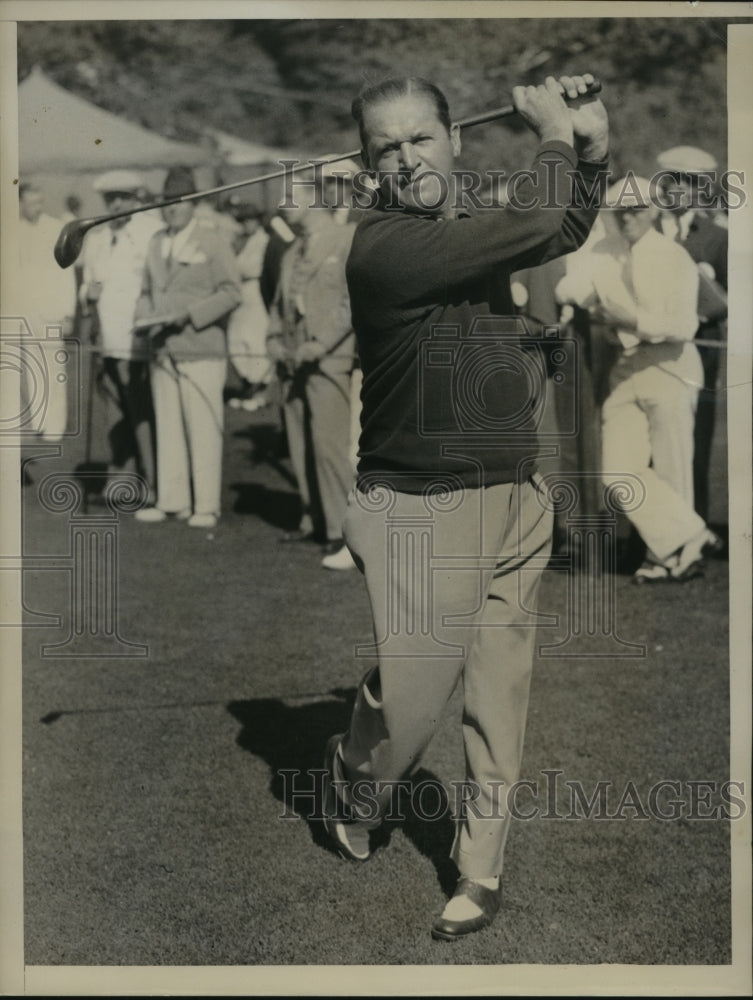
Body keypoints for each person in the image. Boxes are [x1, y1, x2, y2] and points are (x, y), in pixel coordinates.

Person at [321, 73, 609, 940]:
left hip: (512, 493)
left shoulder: (463, 228)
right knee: (409, 711)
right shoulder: (383, 244)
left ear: (453, 138)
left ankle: (480, 872)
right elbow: (532, 218)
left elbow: (559, 220)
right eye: (387, 148)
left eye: (420, 138)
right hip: (421, 509)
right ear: (369, 168)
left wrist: (587, 154)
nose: (408, 159)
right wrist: (556, 135)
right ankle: (354, 777)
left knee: (498, 695)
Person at [556, 176, 721, 584]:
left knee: (671, 466)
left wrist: (633, 321)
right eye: (620, 210)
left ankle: (669, 558)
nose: (627, 216)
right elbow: (568, 288)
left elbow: (683, 325)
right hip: (627, 367)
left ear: (652, 210)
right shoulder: (603, 250)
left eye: (635, 209)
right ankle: (691, 534)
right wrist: (580, 294)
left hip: (671, 365)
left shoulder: (673, 257)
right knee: (617, 471)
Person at [133, 167, 242, 529]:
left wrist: (189, 316)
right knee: (168, 426)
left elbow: (231, 293)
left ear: (194, 204)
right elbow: (147, 292)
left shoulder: (213, 241)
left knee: (203, 428)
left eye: (178, 203)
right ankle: (172, 500)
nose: (171, 209)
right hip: (162, 350)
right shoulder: (154, 242)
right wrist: (144, 320)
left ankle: (206, 506)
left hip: (201, 347)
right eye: (166, 203)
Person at [266, 176, 358, 570]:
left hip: (328, 361)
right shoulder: (290, 253)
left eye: (291, 198)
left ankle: (346, 534)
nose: (282, 206)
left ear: (313, 200)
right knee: (300, 442)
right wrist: (272, 341)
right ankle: (314, 519)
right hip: (292, 361)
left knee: (329, 447)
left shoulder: (346, 239)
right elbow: (277, 306)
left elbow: (353, 300)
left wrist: (321, 343)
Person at [80, 170, 162, 502]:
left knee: (141, 409)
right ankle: (121, 478)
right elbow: (88, 285)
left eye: (122, 198)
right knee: (114, 408)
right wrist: (88, 294)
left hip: (136, 337)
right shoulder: (98, 238)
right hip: (106, 338)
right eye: (110, 199)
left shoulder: (150, 233)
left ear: (136, 199)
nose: (115, 205)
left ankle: (154, 482)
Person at [656, 146, 728, 522]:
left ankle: (696, 526)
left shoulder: (718, 237)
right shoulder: (647, 228)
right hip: (652, 347)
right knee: (653, 439)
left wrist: (709, 290)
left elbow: (735, 301)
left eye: (695, 183)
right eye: (678, 181)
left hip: (701, 349)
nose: (685, 190)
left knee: (696, 438)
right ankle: (647, 537)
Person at [17, 182, 77, 442]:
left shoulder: (54, 228)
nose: (35, 208)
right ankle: (39, 421)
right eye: (30, 203)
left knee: (54, 369)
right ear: (21, 203)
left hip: (53, 310)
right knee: (32, 366)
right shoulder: (13, 230)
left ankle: (56, 425)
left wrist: (68, 312)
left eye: (39, 202)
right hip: (26, 312)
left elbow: (67, 273)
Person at [225, 199, 271, 412]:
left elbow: (251, 268)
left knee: (256, 343)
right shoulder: (241, 242)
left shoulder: (264, 241)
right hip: (241, 296)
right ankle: (247, 388)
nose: (246, 225)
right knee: (237, 342)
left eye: (250, 220)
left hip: (256, 293)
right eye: (243, 221)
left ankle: (260, 391)